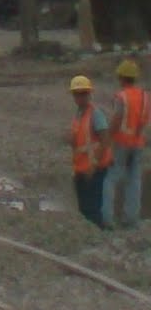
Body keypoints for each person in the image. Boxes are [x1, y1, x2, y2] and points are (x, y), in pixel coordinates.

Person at [103, 58, 149, 229]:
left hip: (121, 142)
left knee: (110, 178)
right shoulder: (145, 96)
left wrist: (107, 139)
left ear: (122, 77)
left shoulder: (122, 96)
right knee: (134, 180)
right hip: (138, 143)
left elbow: (116, 119)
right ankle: (131, 219)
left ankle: (106, 219)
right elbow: (144, 121)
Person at [69, 75, 112, 227]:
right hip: (81, 168)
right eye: (77, 94)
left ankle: (99, 232)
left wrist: (93, 165)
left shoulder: (96, 114)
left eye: (83, 93)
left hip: (94, 168)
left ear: (89, 94)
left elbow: (105, 139)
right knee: (84, 207)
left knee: (93, 207)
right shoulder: (78, 115)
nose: (80, 97)